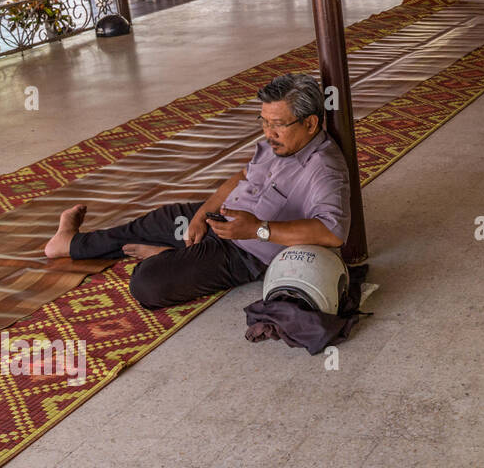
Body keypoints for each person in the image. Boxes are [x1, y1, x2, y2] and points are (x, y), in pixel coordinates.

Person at [42, 74, 350, 310]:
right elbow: (241, 176)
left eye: (277, 125)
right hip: (223, 219)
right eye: (264, 122)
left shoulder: (323, 168)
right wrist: (203, 214)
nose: (268, 134)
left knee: (148, 283)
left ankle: (170, 255)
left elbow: (333, 232)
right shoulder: (280, 143)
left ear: (310, 124)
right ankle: (69, 243)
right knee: (160, 220)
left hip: (243, 252)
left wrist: (257, 229)